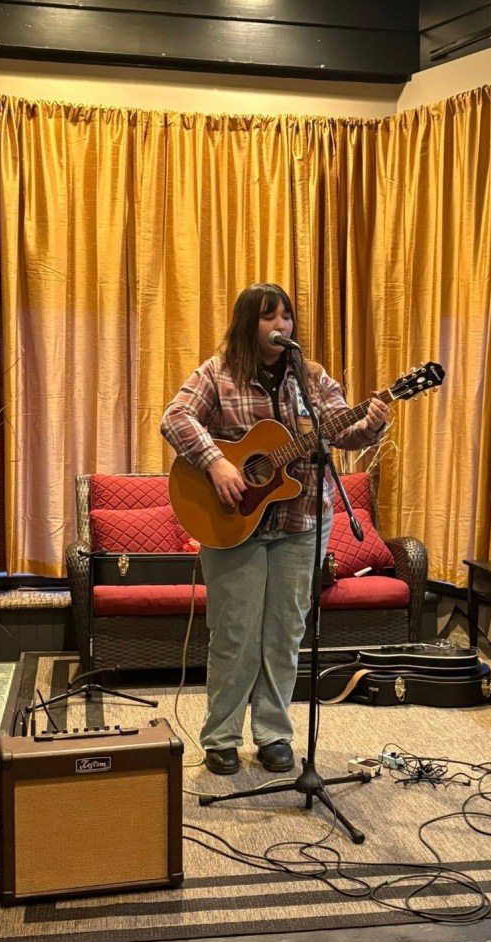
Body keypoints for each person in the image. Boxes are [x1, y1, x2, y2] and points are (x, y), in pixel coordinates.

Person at [161, 283, 389, 775]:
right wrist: (216, 461)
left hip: (301, 522)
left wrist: (371, 424)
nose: (280, 325)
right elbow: (175, 418)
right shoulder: (217, 373)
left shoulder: (311, 377)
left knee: (285, 634)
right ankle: (221, 737)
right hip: (232, 525)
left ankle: (273, 734)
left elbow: (343, 431)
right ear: (249, 324)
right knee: (234, 635)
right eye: (269, 317)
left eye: (286, 316)